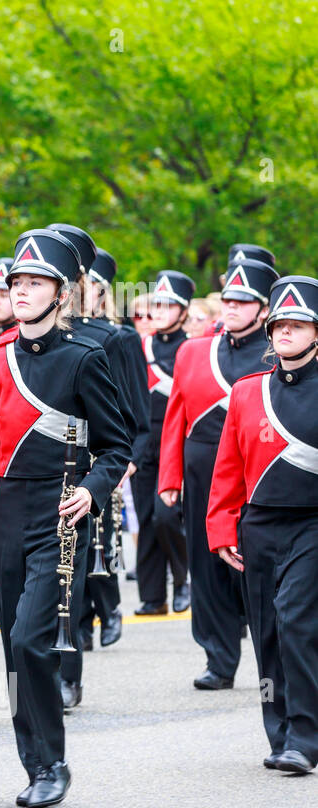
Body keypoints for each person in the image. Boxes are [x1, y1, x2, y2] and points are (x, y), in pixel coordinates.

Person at [0, 229, 129, 808]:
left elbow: (116, 446)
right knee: (14, 651)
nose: (20, 291)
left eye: (34, 283)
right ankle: (35, 762)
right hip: (6, 514)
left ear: (61, 293)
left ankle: (52, 763)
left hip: (60, 511)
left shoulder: (85, 358)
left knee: (30, 636)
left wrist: (93, 493)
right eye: (15, 282)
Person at [207, 274, 318, 775]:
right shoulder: (249, 391)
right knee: (267, 630)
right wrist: (221, 528)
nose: (286, 332)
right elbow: (228, 467)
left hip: (313, 525)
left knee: (296, 619)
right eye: (280, 324)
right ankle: (279, 732)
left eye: (298, 324)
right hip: (259, 527)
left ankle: (305, 733)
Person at [160, 255, 276, 690]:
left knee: (251, 566)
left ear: (264, 309)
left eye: (244, 301)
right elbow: (175, 419)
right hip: (200, 471)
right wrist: (169, 479)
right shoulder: (192, 351)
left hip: (256, 477)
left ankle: (271, 662)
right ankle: (219, 658)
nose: (231, 307)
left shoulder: (274, 355)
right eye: (228, 299)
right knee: (206, 569)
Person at [44, 224, 142, 710]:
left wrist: (122, 464)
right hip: (45, 474)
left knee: (78, 570)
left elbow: (133, 414)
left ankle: (71, 669)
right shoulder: (31, 338)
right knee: (57, 577)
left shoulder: (111, 338)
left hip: (95, 466)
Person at [74, 246, 148, 653]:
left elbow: (135, 404)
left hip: (106, 451)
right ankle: (80, 624)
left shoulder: (117, 337)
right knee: (72, 543)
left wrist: (131, 456)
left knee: (102, 537)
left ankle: (110, 605)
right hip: (67, 451)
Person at [133, 270, 194, 616]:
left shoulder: (194, 349)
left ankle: (183, 580)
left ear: (184, 312)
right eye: (157, 303)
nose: (161, 310)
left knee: (166, 516)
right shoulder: (141, 346)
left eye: (170, 304)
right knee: (145, 518)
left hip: (178, 446)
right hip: (145, 444)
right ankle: (153, 596)